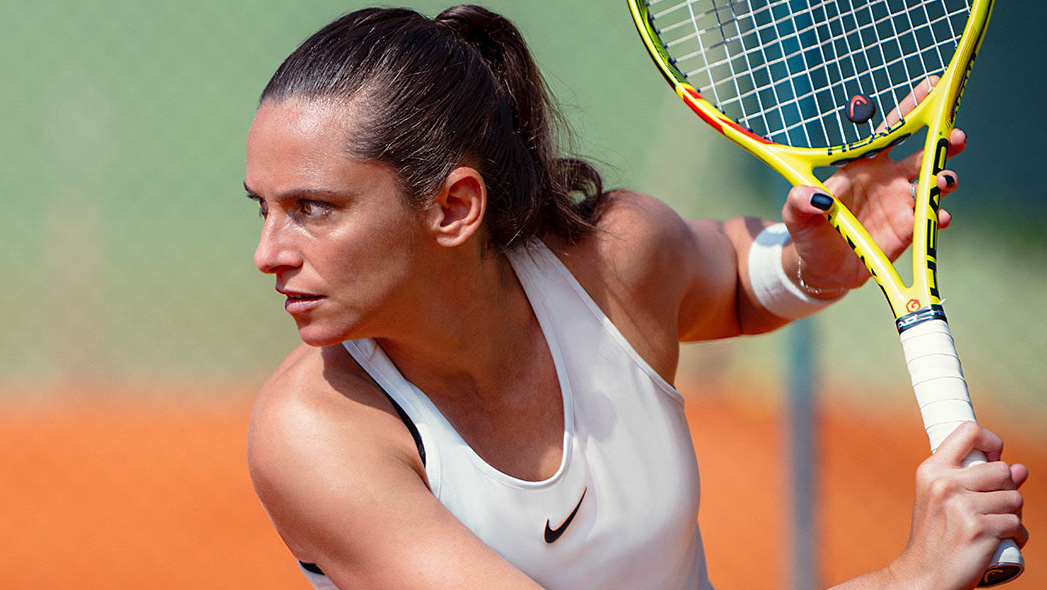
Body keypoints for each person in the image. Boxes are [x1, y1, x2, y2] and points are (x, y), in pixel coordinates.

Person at [244, 5, 1028, 590]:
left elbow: (733, 275)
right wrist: (910, 578)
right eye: (264, 207)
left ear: (453, 208)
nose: (267, 253)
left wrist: (815, 259)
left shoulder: (618, 260)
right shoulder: (313, 434)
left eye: (313, 209)